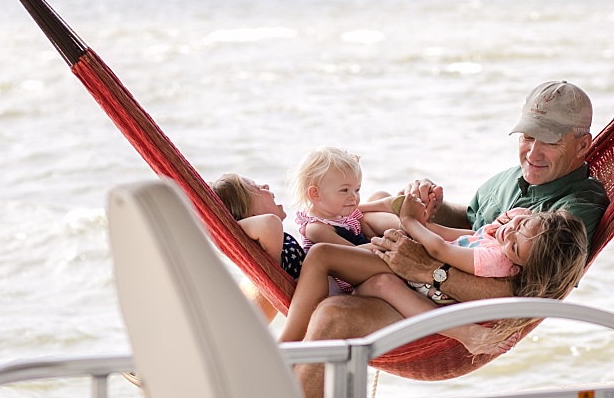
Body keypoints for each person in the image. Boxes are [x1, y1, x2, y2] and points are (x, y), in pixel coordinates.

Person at [294, 80, 610, 398]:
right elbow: (473, 227)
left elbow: (525, 293)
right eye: (527, 137)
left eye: (549, 141)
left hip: (448, 308)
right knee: (373, 205)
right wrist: (432, 205)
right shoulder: (513, 178)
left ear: (582, 145)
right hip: (434, 270)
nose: (532, 153)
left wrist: (429, 269)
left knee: (334, 314)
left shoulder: (574, 213)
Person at [278, 193, 587, 356]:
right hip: (408, 273)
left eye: (515, 246)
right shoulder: (503, 236)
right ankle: (351, 231)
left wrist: (411, 221)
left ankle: (286, 346)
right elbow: (450, 235)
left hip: (417, 276)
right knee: (380, 280)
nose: (509, 233)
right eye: (520, 225)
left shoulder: (496, 260)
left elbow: (439, 249)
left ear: (518, 264)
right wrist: (419, 220)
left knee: (321, 255)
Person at [290, 146, 390, 293]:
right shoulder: (316, 228)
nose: (354, 197)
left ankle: (408, 227)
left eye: (357, 190)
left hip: (361, 253)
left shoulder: (335, 211)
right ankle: (410, 231)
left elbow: (366, 221)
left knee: (379, 196)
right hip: (348, 279)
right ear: (316, 194)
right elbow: (352, 254)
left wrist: (384, 205)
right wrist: (385, 244)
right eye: (344, 190)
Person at [211, 173, 306, 321]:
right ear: (252, 215)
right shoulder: (270, 248)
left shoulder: (273, 243)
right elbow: (270, 223)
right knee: (320, 253)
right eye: (257, 188)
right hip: (317, 296)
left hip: (322, 286)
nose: (266, 186)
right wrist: (228, 229)